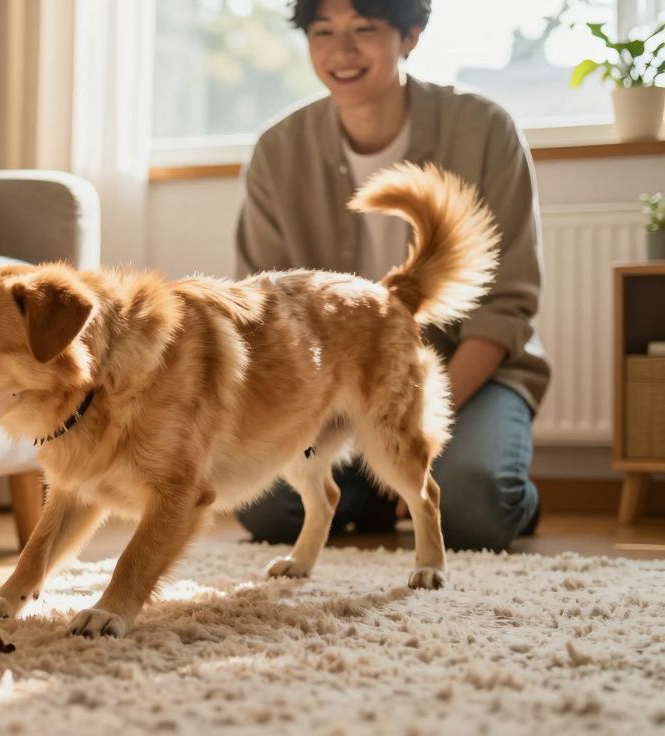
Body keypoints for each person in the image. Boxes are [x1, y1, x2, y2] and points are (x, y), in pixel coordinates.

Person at [234, 0, 550, 551]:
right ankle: (368, 488)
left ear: (411, 35)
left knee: (476, 507)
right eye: (324, 31)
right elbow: (263, 308)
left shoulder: (485, 129)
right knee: (265, 505)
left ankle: (472, 489)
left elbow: (507, 307)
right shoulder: (276, 150)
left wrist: (410, 430)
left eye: (365, 29)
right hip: (328, 387)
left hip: (466, 373)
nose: (342, 50)